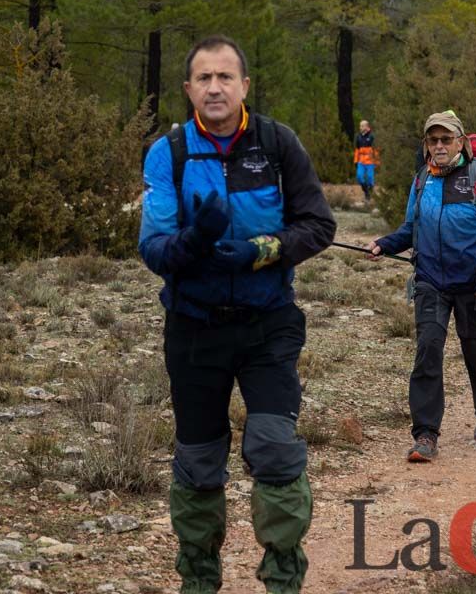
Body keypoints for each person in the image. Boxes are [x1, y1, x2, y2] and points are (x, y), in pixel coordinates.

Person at [139, 35, 336, 594]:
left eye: (225, 77)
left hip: (266, 323)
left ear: (245, 85)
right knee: (199, 460)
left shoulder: (277, 143)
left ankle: (282, 579)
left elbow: (319, 226)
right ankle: (199, 581)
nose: (215, 87)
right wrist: (196, 239)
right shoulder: (169, 153)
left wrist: (261, 252)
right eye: (203, 78)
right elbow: (154, 250)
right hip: (194, 328)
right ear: (188, 90)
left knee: (274, 447)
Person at [366, 111, 476, 463]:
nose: (439, 146)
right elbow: (410, 230)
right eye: (433, 140)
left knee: (475, 349)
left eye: (446, 139)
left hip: (473, 284)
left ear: (460, 142)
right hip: (431, 281)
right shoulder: (421, 181)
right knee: (428, 350)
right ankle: (425, 435)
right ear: (425, 145)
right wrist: (384, 244)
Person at [353, 119, 378, 202]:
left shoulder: (372, 136)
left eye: (362, 126)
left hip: (370, 161)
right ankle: (366, 192)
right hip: (361, 161)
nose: (360, 127)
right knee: (359, 177)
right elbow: (357, 149)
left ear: (367, 126)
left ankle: (369, 194)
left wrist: (377, 161)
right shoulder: (358, 136)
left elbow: (376, 150)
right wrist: (356, 160)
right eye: (360, 126)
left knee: (370, 178)